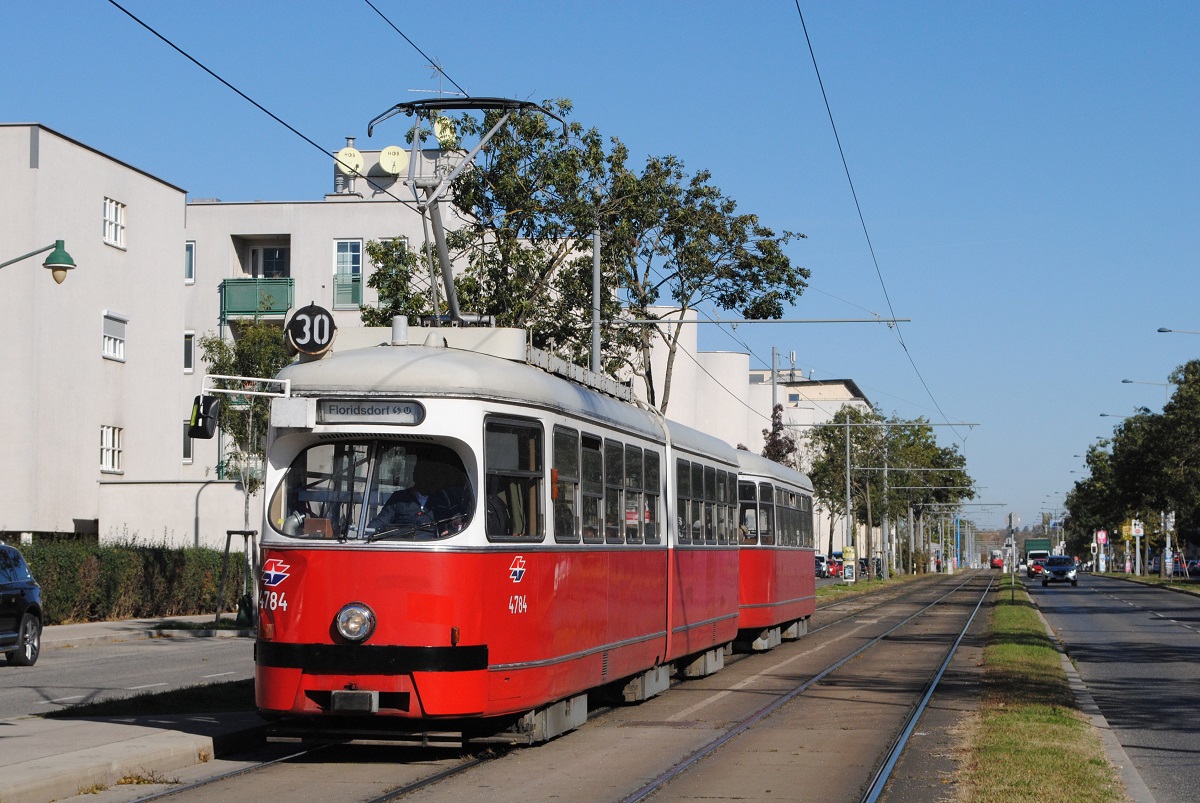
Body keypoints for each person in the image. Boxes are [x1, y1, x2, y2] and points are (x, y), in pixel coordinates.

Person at [369, 460, 469, 537]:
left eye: (432, 477)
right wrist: (367, 534)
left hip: (433, 548)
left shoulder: (445, 499)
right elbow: (381, 521)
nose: (429, 480)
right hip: (401, 547)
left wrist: (452, 530)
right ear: (415, 477)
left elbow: (459, 520)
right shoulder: (399, 498)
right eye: (424, 476)